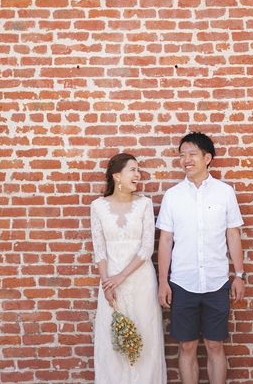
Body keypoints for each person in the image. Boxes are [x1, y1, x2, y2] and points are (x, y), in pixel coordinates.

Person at [156, 132, 245, 384]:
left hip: (217, 282)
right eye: (182, 155)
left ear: (207, 158)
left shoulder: (225, 193)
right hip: (183, 283)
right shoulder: (173, 196)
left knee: (215, 345)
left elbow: (233, 235)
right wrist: (163, 282)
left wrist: (239, 275)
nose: (186, 160)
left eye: (192, 154)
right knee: (187, 346)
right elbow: (165, 240)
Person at [90, 153, 167, 384]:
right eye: (132, 170)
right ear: (117, 176)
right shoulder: (98, 207)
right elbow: (99, 250)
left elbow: (147, 247)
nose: (138, 174)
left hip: (141, 281)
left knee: (145, 338)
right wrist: (107, 283)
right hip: (110, 285)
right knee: (113, 341)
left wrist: (120, 277)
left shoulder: (144, 204)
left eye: (138, 170)